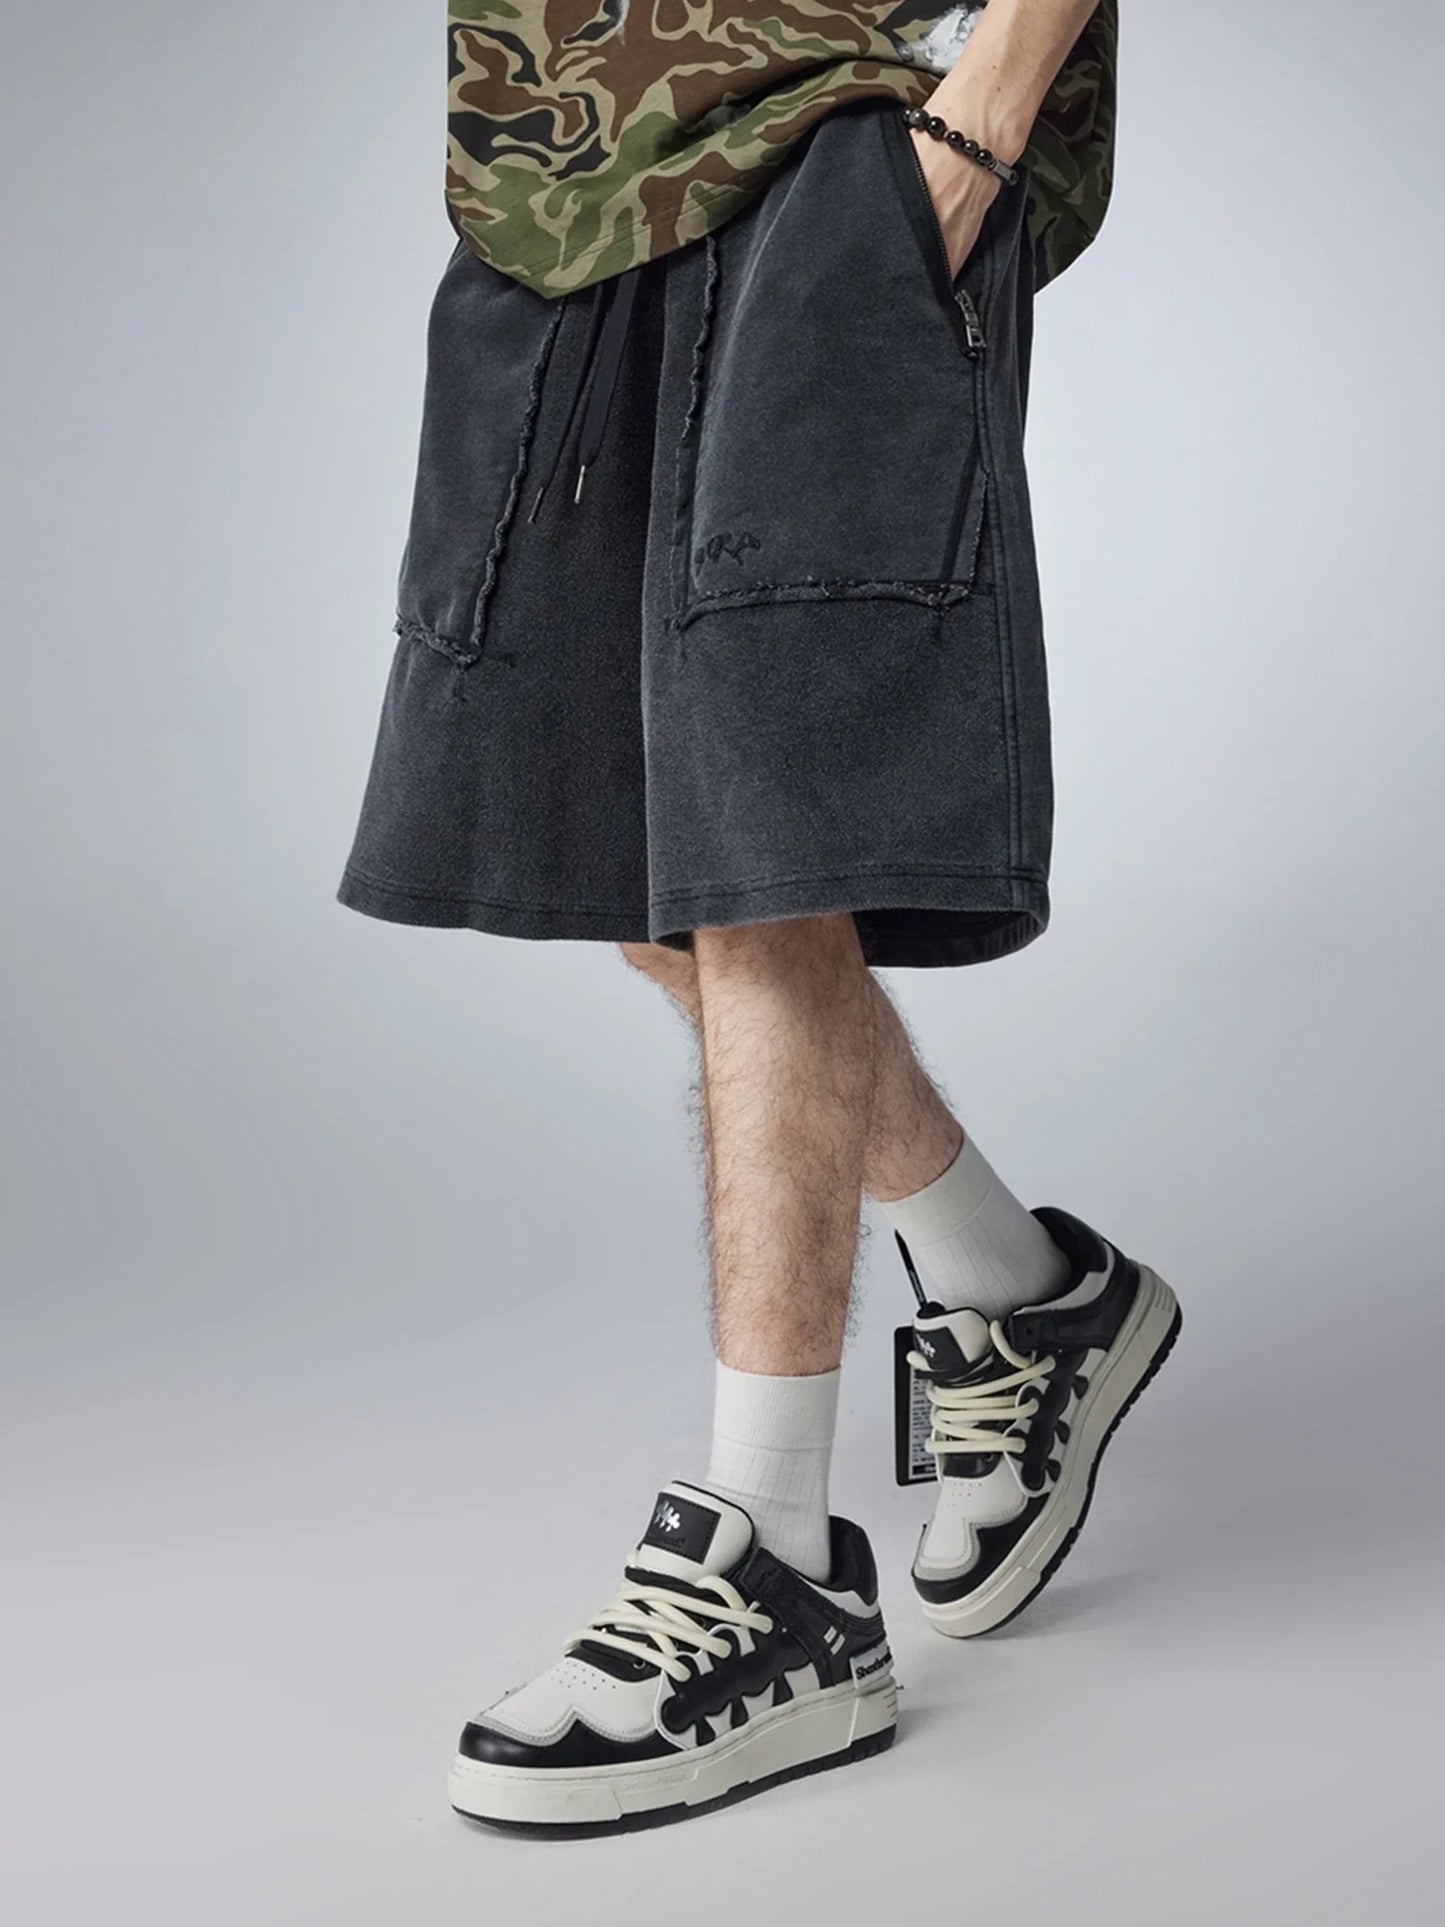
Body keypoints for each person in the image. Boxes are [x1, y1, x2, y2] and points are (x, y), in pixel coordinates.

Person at [338, 1, 1180, 1837]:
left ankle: (773, 1563)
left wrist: (970, 132)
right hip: (559, 181)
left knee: (761, 863)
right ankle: (1018, 1292)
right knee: (617, 848)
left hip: (838, 146)